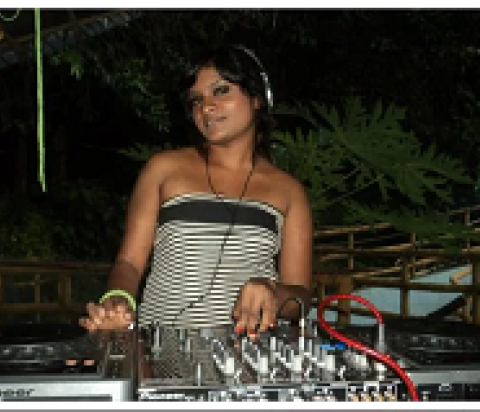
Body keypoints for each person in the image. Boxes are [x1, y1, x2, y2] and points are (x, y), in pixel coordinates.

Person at [79, 45, 313, 338]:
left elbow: (302, 297)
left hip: (246, 353)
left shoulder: (289, 190)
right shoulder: (163, 168)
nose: (206, 107)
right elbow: (129, 262)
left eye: (220, 91)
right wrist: (118, 299)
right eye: (196, 100)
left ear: (257, 99)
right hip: (160, 347)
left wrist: (275, 293)